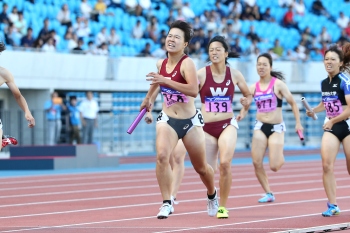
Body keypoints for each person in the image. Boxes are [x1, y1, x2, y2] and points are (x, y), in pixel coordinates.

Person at [140, 20, 218, 219]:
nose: (171, 40)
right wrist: (148, 98)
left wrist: (167, 81)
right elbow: (157, 83)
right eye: (169, 36)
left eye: (176, 37)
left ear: (184, 44)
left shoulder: (187, 64)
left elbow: (192, 90)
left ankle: (212, 194)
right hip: (167, 119)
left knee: (201, 168)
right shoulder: (161, 63)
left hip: (190, 122)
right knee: (162, 157)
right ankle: (167, 202)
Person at [197, 36, 252, 218]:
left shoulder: (234, 74)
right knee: (207, 170)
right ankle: (211, 194)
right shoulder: (201, 74)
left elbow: (248, 95)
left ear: (226, 53)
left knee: (225, 164)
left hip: (227, 124)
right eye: (211, 49)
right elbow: (188, 95)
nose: (214, 52)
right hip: (206, 127)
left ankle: (223, 206)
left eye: (218, 49)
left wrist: (246, 102)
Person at [248, 53, 303, 203]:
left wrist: (298, 123)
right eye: (259, 64)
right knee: (256, 162)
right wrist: (241, 112)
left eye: (264, 64)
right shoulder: (253, 87)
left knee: (274, 166)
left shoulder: (278, 84)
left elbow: (293, 103)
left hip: (277, 127)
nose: (261, 67)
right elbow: (246, 104)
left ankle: (280, 157)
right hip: (260, 126)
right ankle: (268, 192)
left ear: (270, 67)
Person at [306, 43, 350, 217]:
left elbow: (349, 108)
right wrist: (314, 111)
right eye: (326, 59)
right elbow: (325, 103)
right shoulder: (324, 83)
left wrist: (333, 121)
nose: (328, 62)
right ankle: (333, 205)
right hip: (332, 126)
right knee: (326, 166)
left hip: (347, 125)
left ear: (340, 63)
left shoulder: (345, 82)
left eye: (332, 59)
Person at [0, 41, 35, 150]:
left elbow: (18, 95)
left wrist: (27, 111)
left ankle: (3, 141)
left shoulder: (4, 73)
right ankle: (3, 141)